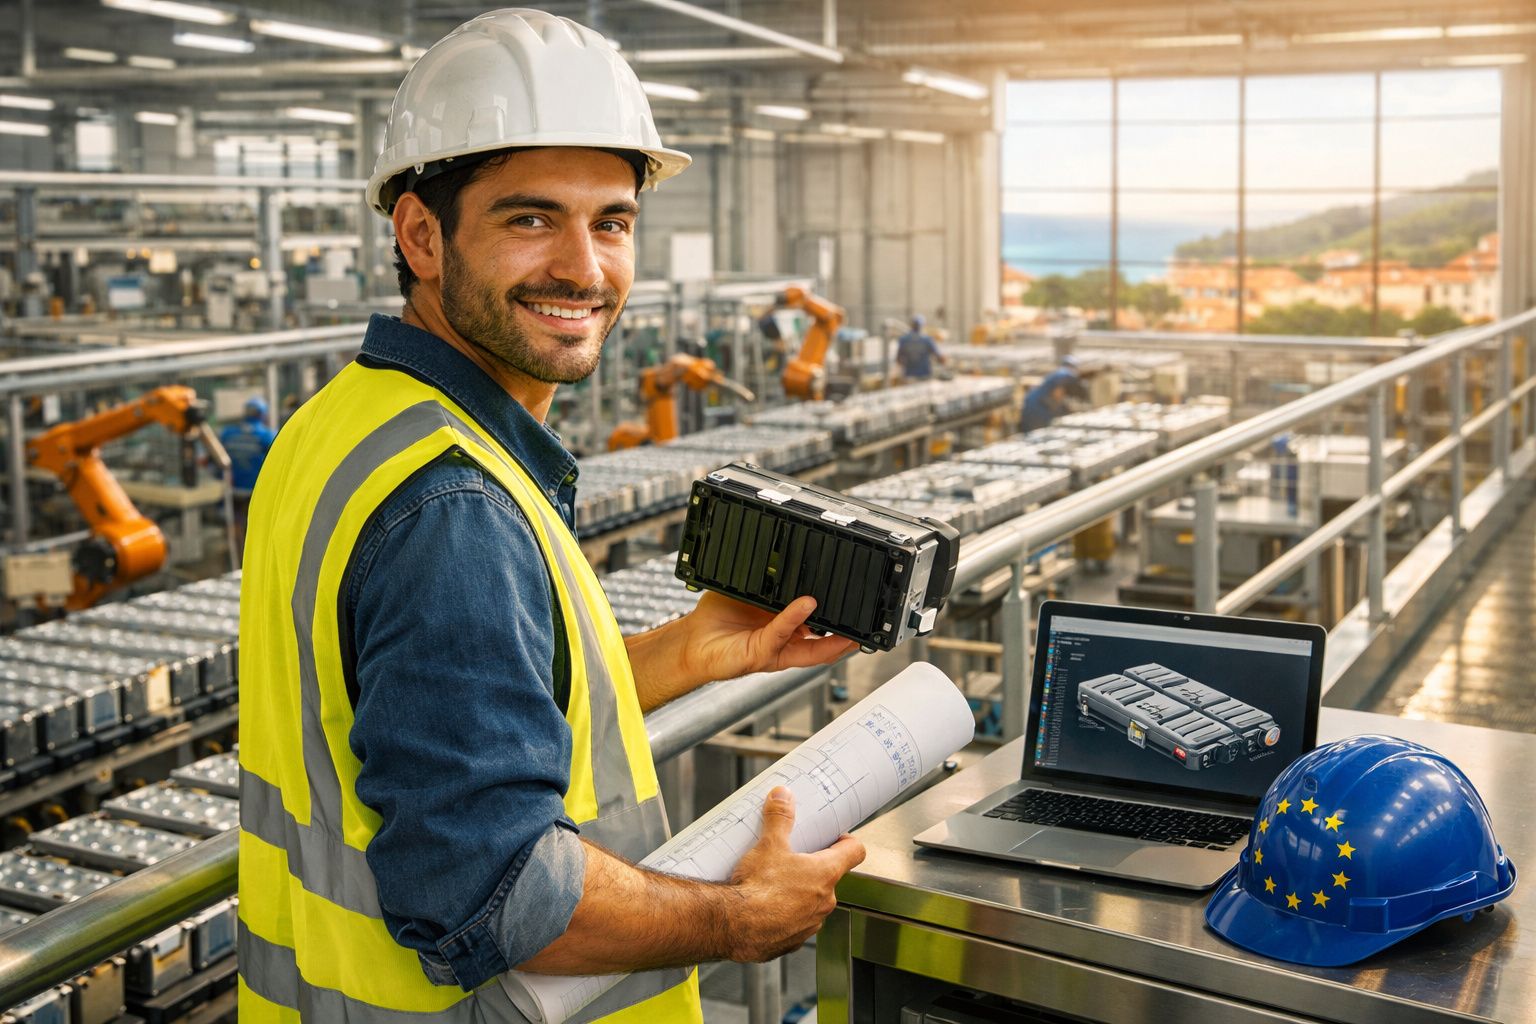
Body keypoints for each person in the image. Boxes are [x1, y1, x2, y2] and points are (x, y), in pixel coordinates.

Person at [236, 11, 864, 1023]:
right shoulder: (451, 502)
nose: (584, 267)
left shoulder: (343, 422)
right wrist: (737, 917)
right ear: (421, 236)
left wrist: (676, 655)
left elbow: (438, 699)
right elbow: (499, 894)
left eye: (611, 221)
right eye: (531, 219)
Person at [217, 396, 275, 550]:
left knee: (234, 523)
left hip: (233, 489)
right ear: (262, 415)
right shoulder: (266, 435)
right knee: (255, 526)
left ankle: (234, 549)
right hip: (255, 491)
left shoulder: (228, 433)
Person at [1021, 354, 1088, 432]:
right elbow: (1058, 392)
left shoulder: (1059, 374)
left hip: (1036, 402)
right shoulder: (1065, 374)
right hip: (1038, 406)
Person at [895, 314, 945, 380]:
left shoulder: (904, 339)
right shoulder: (927, 340)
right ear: (922, 326)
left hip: (909, 375)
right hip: (924, 375)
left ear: (911, 325)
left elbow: (898, 359)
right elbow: (939, 358)